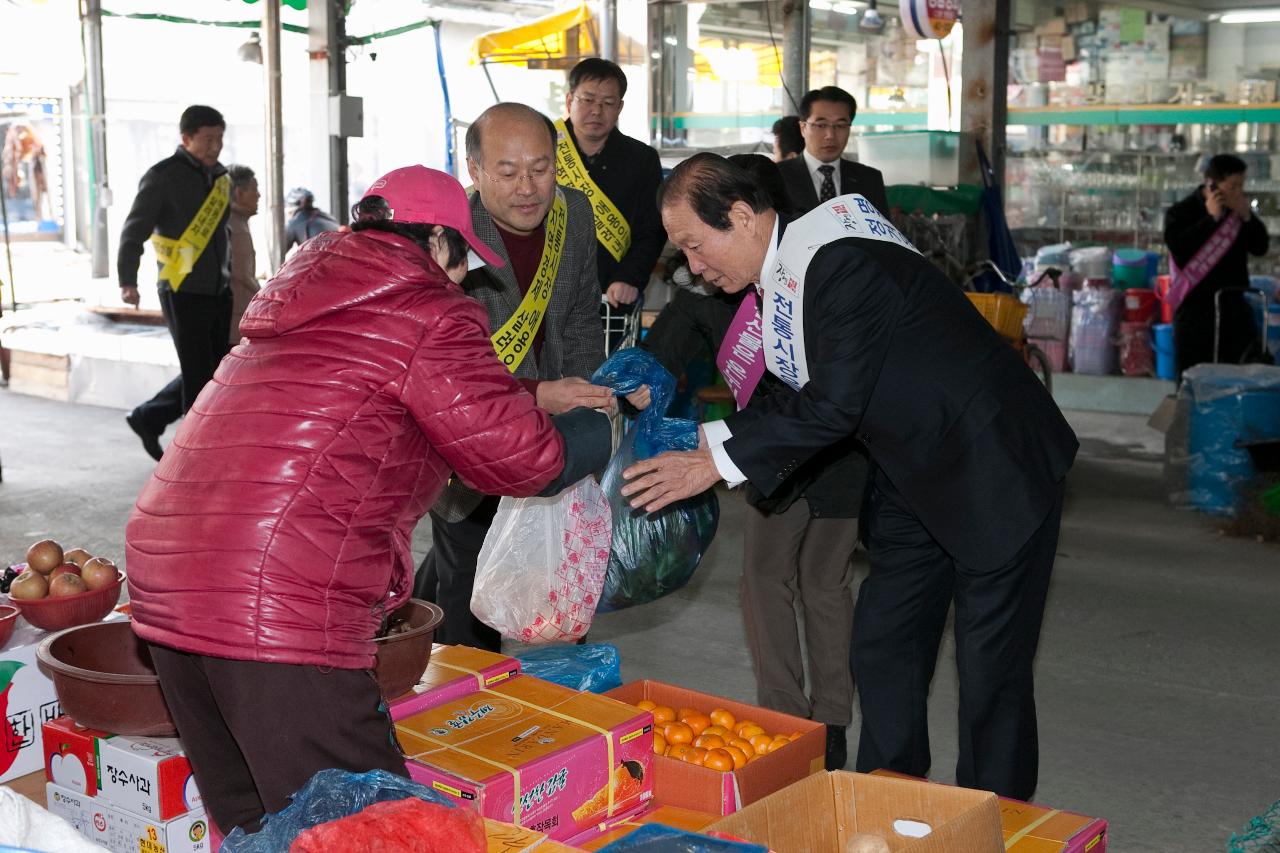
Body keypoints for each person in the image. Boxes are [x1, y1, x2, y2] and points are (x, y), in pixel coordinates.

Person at [124, 165, 613, 836]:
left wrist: (530, 393)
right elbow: (520, 457)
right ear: (436, 242)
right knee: (372, 830)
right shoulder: (426, 307)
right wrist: (598, 436)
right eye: (464, 254)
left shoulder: (306, 298)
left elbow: (387, 386)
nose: (467, 274)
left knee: (256, 824)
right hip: (275, 605)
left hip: (169, 587)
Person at [623, 154, 1078, 801]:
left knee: (989, 673)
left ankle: (989, 819)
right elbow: (790, 392)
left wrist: (714, 463)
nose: (694, 267)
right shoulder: (788, 272)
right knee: (884, 641)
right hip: (913, 474)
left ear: (745, 217)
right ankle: (887, 799)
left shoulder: (837, 263)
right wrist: (706, 439)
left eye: (696, 246)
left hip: (993, 465)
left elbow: (832, 405)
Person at [641, 153, 866, 771]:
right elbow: (658, 361)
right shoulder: (706, 294)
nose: (697, 263)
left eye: (697, 243)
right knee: (782, 585)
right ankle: (797, 719)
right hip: (775, 456)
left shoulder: (803, 279)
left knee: (812, 584)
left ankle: (825, 722)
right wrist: (635, 385)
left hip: (816, 450)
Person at [414, 102, 624, 651]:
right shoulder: (445, 232)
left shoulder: (574, 213)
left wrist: (584, 401)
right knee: (469, 573)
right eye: (507, 173)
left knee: (558, 575)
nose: (528, 188)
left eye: (541, 168)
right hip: (468, 434)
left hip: (549, 434)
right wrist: (534, 395)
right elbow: (437, 359)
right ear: (476, 170)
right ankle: (468, 707)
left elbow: (580, 313)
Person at [120, 105, 233, 462]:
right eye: (207, 139)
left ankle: (149, 416)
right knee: (199, 375)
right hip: (182, 288)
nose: (215, 147)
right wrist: (127, 280)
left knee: (216, 370)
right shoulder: (162, 177)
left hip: (219, 288)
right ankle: (193, 458)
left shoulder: (219, 177)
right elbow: (133, 231)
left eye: (219, 139)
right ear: (186, 139)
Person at [557, 57, 666, 309]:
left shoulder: (642, 160)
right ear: (569, 100)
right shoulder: (543, 150)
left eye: (608, 103)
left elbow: (652, 230)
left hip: (612, 299)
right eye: (587, 100)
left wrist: (630, 277)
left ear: (620, 107)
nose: (597, 111)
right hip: (546, 294)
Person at [1164, 153, 1270, 378]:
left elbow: (1260, 247)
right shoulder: (1181, 212)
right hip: (1196, 313)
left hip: (1234, 310)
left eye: (1241, 185)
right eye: (1232, 186)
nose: (1238, 192)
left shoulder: (1238, 213)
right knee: (1193, 380)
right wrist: (1210, 220)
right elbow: (1180, 250)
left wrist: (1247, 216)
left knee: (1237, 379)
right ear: (1212, 184)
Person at [778, 87, 889, 216]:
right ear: (803, 128)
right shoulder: (776, 176)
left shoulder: (869, 179)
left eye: (840, 126)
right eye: (821, 125)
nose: (830, 135)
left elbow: (882, 234)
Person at [226, 164, 260, 344]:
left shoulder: (234, 221)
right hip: (235, 316)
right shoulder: (236, 228)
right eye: (254, 189)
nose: (258, 195)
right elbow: (242, 276)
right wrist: (263, 297)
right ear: (239, 193)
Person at [283, 187, 341, 253]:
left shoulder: (295, 222)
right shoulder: (329, 217)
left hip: (321, 261)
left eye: (288, 213)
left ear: (291, 210)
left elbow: (280, 252)